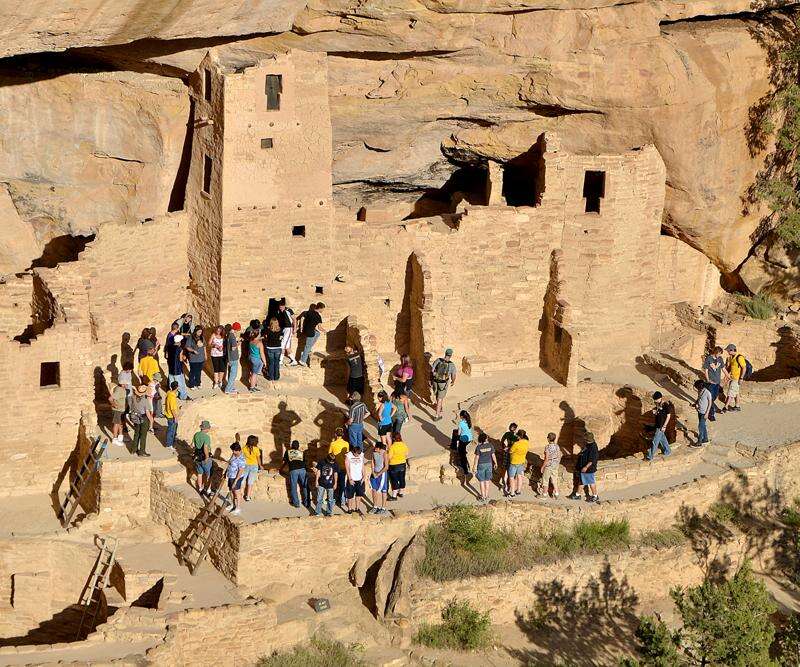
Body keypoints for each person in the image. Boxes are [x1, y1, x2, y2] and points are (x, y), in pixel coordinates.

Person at [569, 433, 599, 502]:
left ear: (587, 439)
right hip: (584, 468)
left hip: (588, 469)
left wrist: (585, 467)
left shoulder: (593, 448)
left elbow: (592, 460)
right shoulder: (589, 445)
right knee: (582, 481)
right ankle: (577, 495)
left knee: (591, 482)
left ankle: (595, 496)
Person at [431, 349, 457, 421]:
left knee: (437, 395)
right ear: (451, 355)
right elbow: (453, 375)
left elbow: (432, 370)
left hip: (435, 381)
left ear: (445, 353)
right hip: (443, 383)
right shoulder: (451, 364)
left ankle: (440, 407)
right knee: (440, 399)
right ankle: (437, 416)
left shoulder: (438, 360)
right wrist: (453, 381)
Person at [297, 302, 326, 367]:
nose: (323, 311)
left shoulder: (308, 312)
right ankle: (303, 360)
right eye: (323, 309)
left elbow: (301, 318)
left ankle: (306, 351)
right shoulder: (318, 316)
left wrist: (301, 327)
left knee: (317, 333)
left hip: (305, 330)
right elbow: (319, 327)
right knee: (308, 346)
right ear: (320, 308)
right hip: (310, 332)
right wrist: (325, 331)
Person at [647, 391, 673, 460]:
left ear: (660, 398)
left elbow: (668, 416)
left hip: (661, 426)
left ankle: (650, 456)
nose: (655, 401)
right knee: (662, 439)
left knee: (655, 441)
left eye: (656, 399)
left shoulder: (665, 405)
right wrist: (655, 412)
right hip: (658, 425)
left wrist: (664, 426)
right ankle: (668, 451)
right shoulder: (658, 404)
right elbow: (660, 413)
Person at [129, 384, 153, 457]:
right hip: (143, 418)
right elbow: (148, 413)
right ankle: (142, 452)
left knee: (136, 434)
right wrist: (151, 423)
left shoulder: (133, 397)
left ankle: (133, 450)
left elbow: (131, 407)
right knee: (143, 436)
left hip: (135, 417)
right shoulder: (145, 400)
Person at [283, 440, 308, 508]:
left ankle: (296, 503)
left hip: (293, 470)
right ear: (298, 446)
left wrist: (281, 469)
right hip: (302, 470)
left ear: (292, 446)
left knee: (293, 486)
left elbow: (285, 462)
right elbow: (305, 462)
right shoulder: (301, 453)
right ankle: (306, 502)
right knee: (305, 486)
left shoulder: (288, 452)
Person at [703, 346, 725, 420]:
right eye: (719, 354)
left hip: (717, 382)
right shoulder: (709, 359)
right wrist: (708, 380)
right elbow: (706, 370)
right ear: (715, 352)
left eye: (720, 354)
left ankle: (708, 408)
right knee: (711, 398)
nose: (719, 355)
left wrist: (728, 376)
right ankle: (711, 413)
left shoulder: (720, 359)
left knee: (715, 396)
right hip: (711, 382)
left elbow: (723, 368)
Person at [328, 427, 349, 507]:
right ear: (342, 434)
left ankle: (333, 500)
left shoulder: (332, 444)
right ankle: (342, 500)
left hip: (335, 466)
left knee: (334, 483)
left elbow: (330, 455)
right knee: (342, 484)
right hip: (343, 466)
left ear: (335, 434)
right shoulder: (346, 444)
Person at [473, 432, 496, 503]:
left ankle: (483, 496)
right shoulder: (490, 445)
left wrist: (474, 466)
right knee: (487, 480)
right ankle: (486, 495)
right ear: (486, 439)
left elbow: (477, 458)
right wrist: (496, 463)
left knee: (482, 481)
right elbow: (493, 455)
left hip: (481, 465)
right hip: (489, 464)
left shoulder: (479, 447)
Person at [193, 420, 213, 497]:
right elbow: (205, 448)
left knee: (200, 474)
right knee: (208, 475)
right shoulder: (206, 437)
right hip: (204, 458)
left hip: (197, 458)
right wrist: (207, 457)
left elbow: (192, 445)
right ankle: (208, 490)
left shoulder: (196, 435)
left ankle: (200, 489)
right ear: (206, 428)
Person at [314, 452, 339, 516]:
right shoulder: (322, 462)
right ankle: (317, 512)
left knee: (330, 500)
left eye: (333, 461)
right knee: (319, 499)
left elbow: (335, 473)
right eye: (331, 461)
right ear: (327, 459)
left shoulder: (335, 463)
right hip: (321, 483)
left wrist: (335, 483)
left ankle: (329, 512)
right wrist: (316, 481)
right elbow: (318, 471)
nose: (332, 462)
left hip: (331, 484)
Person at [387, 432, 410, 501]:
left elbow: (389, 457)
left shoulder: (392, 447)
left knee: (394, 481)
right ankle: (400, 493)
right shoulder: (403, 445)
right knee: (402, 479)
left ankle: (394, 496)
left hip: (394, 465)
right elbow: (407, 453)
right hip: (402, 464)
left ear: (393, 438)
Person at [345, 444, 367, 514]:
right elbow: (347, 468)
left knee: (359, 495)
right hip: (352, 479)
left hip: (360, 479)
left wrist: (364, 476)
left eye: (359, 454)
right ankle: (349, 509)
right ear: (353, 452)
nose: (358, 455)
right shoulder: (348, 455)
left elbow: (362, 465)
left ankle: (357, 508)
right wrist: (350, 479)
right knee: (350, 496)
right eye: (357, 454)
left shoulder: (361, 455)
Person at [724, 344, 746, 413]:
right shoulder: (731, 357)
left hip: (737, 378)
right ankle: (737, 406)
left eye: (728, 350)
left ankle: (725, 407)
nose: (727, 352)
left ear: (731, 350)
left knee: (731, 393)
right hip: (732, 378)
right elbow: (730, 367)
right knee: (736, 393)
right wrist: (726, 376)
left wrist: (741, 378)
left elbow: (744, 368)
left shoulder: (739, 357)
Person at [166, 334, 189, 400]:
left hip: (171, 368)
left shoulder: (169, 347)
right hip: (177, 369)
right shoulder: (180, 349)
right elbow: (180, 359)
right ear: (179, 341)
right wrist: (184, 357)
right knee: (181, 384)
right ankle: (183, 396)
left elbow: (167, 356)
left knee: (171, 382)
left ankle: (172, 395)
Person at [276, 299, 298, 366]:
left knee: (283, 345)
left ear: (284, 306)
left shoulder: (288, 310)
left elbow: (294, 319)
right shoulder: (279, 312)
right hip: (283, 329)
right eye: (280, 307)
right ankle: (294, 361)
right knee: (287, 346)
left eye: (282, 306)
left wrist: (294, 329)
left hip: (288, 329)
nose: (281, 308)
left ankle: (280, 361)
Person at [226, 441, 246, 515]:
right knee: (231, 491)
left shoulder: (242, 459)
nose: (233, 452)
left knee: (237, 492)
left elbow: (240, 471)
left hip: (237, 477)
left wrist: (235, 481)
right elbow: (230, 463)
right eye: (233, 450)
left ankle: (238, 508)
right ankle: (233, 504)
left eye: (235, 450)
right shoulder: (234, 454)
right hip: (231, 475)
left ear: (239, 450)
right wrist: (226, 472)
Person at [242, 434, 264, 502]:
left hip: (246, 465)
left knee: (242, 480)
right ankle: (248, 496)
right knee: (250, 482)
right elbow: (258, 458)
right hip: (254, 466)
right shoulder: (256, 449)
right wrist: (260, 465)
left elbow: (242, 457)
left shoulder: (244, 448)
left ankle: (240, 494)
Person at [508, 429, 529, 497]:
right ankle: (519, 491)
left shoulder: (516, 444)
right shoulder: (527, 442)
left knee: (511, 477)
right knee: (519, 476)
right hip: (521, 461)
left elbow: (511, 451)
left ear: (519, 436)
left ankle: (512, 492)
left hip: (514, 462)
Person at [540, 432, 561, 499]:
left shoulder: (548, 447)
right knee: (554, 479)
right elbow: (558, 456)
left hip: (549, 465)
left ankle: (544, 494)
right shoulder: (557, 446)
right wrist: (557, 463)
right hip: (555, 465)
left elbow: (546, 458)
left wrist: (543, 467)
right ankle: (557, 493)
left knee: (545, 480)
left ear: (548, 439)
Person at [370, 441, 389, 514]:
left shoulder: (385, 454)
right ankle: (375, 506)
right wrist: (373, 472)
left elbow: (386, 467)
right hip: (374, 473)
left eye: (376, 448)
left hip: (382, 474)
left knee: (383, 491)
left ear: (379, 448)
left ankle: (383, 508)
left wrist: (378, 474)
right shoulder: (374, 453)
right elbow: (372, 462)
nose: (375, 449)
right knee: (374, 490)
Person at [500, 423, 519, 496]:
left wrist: (504, 447)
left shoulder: (507, 434)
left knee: (504, 468)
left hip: (506, 452)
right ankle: (510, 487)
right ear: (515, 428)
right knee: (512, 471)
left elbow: (502, 441)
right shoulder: (516, 436)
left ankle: (504, 485)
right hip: (513, 453)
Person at [692, 379, 712, 447]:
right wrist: (695, 404)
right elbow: (699, 399)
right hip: (699, 411)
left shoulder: (707, 393)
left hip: (704, 413)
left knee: (700, 426)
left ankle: (699, 441)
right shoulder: (700, 391)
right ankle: (705, 439)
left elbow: (710, 403)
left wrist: (707, 413)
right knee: (703, 426)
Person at [263, 317, 283, 382]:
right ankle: (276, 377)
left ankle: (271, 377)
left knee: (271, 363)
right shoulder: (280, 330)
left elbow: (265, 337)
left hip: (270, 348)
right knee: (277, 363)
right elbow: (281, 338)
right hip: (277, 348)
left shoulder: (268, 330)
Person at [225, 322, 241, 394]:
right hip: (233, 357)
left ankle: (231, 387)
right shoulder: (232, 336)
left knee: (230, 373)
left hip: (230, 357)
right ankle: (228, 389)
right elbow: (233, 348)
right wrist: (239, 343)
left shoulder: (228, 335)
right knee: (233, 375)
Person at [456, 410, 473, 478]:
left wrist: (457, 440)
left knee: (462, 455)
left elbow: (459, 433)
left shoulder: (461, 423)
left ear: (462, 416)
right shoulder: (469, 421)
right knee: (463, 449)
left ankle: (465, 470)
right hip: (469, 438)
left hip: (464, 439)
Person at [109, 381, 127, 446]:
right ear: (122, 383)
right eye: (125, 383)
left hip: (121, 410)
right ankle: (114, 439)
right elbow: (110, 399)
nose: (127, 384)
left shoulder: (122, 389)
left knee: (120, 423)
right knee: (116, 424)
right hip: (117, 410)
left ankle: (120, 437)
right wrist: (114, 405)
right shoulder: (119, 390)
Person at [247, 328, 265, 393]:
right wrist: (265, 362)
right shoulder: (259, 343)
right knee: (254, 374)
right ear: (258, 335)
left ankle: (253, 385)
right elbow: (262, 354)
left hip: (251, 357)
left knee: (252, 372)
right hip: (256, 359)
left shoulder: (251, 341)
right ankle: (252, 387)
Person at [163, 380, 179, 449]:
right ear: (177, 387)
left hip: (168, 414)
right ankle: (169, 444)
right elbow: (172, 409)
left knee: (172, 429)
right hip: (171, 416)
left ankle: (172, 441)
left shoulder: (169, 393)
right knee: (171, 430)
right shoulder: (172, 397)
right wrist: (176, 417)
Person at [209, 325, 226, 390]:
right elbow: (209, 344)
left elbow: (225, 345)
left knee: (222, 369)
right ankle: (216, 382)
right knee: (216, 369)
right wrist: (214, 345)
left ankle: (220, 381)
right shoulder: (213, 335)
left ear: (222, 331)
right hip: (214, 354)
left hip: (221, 354)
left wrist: (222, 348)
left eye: (219, 330)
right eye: (217, 330)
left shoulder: (223, 336)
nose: (218, 332)